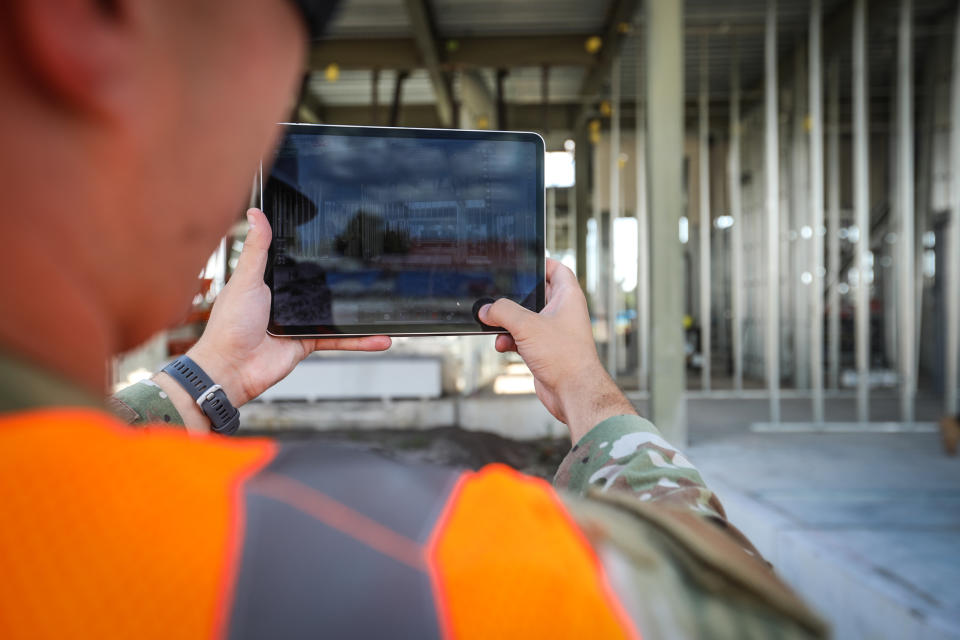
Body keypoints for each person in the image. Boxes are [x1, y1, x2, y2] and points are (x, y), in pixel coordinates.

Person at [0, 0, 826, 638]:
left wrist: (208, 378)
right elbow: (742, 614)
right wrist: (594, 398)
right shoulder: (426, 567)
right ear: (96, 18)